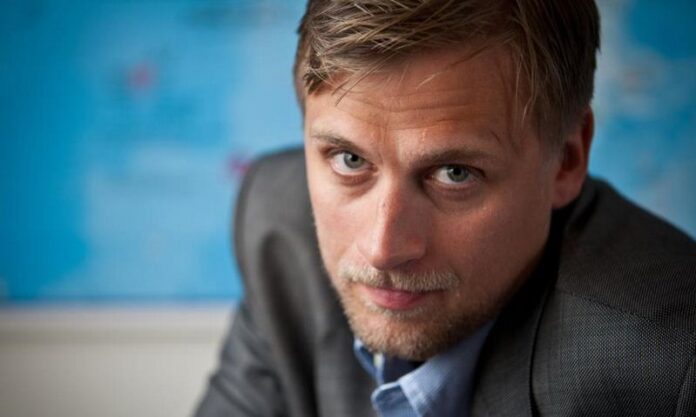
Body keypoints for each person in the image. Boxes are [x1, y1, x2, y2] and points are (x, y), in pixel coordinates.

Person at [195, 1, 696, 416]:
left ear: (566, 161)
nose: (383, 249)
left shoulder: (670, 363)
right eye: (350, 160)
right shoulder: (280, 225)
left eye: (455, 173)